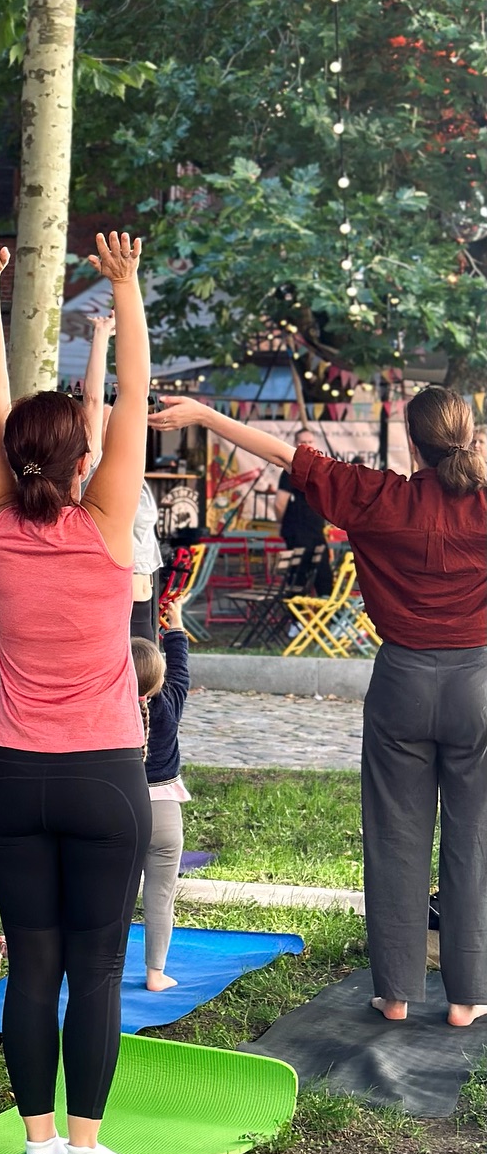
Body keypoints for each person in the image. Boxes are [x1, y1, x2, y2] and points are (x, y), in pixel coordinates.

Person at [152, 383, 487, 1027]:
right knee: (474, 837)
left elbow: (286, 456)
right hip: (477, 682)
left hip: (401, 682)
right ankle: (467, 1000)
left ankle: (395, 995)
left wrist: (204, 413)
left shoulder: (378, 496)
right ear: (467, 438)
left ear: (412, 442)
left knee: (395, 836)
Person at [0, 228, 153, 1154]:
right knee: (99, 971)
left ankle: (36, 1144)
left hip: (13, 780)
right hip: (106, 777)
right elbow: (135, 409)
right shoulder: (109, 523)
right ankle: (83, 1147)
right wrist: (125, 289)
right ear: (81, 459)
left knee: (31, 967)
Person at [81, 309, 161, 636]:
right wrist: (101, 336)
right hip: (117, 598)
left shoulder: (130, 470)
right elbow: (93, 397)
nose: (115, 421)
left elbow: (136, 393)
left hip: (144, 592)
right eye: (105, 419)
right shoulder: (95, 467)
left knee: (150, 682)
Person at [132, 596, 191, 991]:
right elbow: (181, 668)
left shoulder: (109, 709)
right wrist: (175, 623)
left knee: (109, 897)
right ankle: (155, 974)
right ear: (160, 679)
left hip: (119, 810)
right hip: (165, 812)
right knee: (160, 896)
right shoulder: (170, 702)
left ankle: (100, 966)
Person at [275, 428, 329, 588]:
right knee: (299, 574)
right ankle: (295, 610)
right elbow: (279, 502)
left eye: (310, 442)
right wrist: (280, 523)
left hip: (316, 529)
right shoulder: (291, 470)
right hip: (298, 530)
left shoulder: (318, 469)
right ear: (296, 445)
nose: (307, 445)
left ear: (316, 444)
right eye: (303, 442)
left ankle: (326, 611)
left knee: (323, 576)